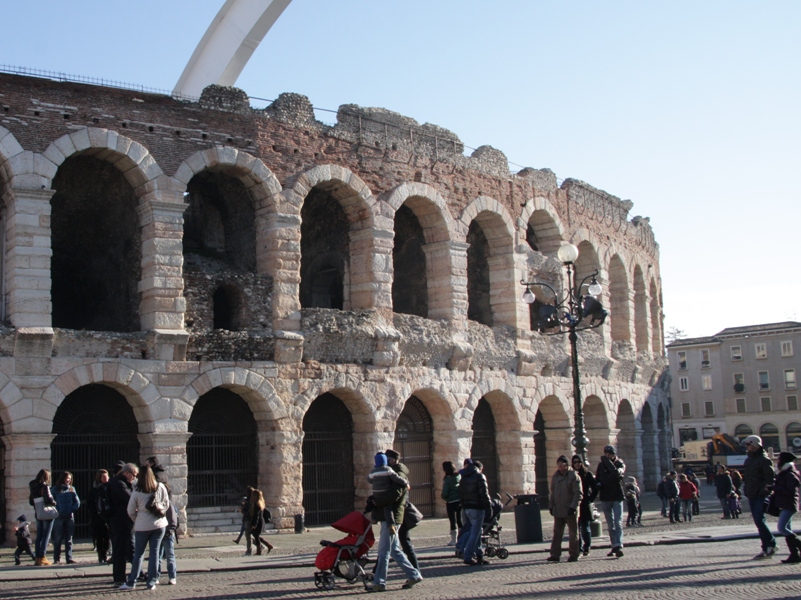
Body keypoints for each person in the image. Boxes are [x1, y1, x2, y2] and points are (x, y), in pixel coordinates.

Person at [369, 459, 422, 592]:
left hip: (391, 520)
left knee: (383, 552)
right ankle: (414, 575)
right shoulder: (391, 479)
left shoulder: (397, 482)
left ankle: (379, 582)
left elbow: (390, 499)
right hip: (390, 518)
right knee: (394, 550)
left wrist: (376, 501)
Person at [118, 463, 169, 591]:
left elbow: (130, 510)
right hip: (159, 524)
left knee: (138, 554)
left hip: (142, 525)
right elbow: (166, 504)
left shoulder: (137, 491)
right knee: (154, 553)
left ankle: (132, 581)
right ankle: (151, 582)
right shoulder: (160, 487)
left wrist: (137, 519)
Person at [742, 435, 777, 559]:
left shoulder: (764, 460)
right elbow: (747, 478)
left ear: (755, 445)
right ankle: (766, 546)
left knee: (759, 520)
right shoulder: (749, 460)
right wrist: (746, 490)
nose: (747, 447)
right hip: (752, 494)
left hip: (759, 495)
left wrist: (763, 492)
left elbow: (770, 479)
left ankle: (771, 544)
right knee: (758, 521)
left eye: (748, 444)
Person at [386, 449, 418, 568]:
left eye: (388, 459)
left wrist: (382, 500)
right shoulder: (395, 471)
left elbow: (396, 494)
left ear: (393, 460)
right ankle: (415, 570)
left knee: (400, 543)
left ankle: (415, 571)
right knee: (392, 544)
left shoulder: (398, 474)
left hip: (399, 511)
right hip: (398, 511)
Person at [456, 459, 492, 566]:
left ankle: (479, 555)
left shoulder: (464, 477)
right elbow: (484, 494)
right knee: (475, 533)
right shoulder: (479, 476)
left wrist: (464, 506)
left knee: (477, 532)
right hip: (477, 508)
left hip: (467, 508)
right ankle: (468, 556)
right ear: (480, 468)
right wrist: (488, 508)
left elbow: (460, 494)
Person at [547, 455, 582, 562]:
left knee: (573, 533)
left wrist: (573, 506)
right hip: (558, 508)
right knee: (557, 533)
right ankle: (555, 554)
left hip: (570, 509)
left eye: (561, 464)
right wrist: (551, 506)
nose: (560, 466)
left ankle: (574, 554)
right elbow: (553, 492)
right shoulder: (556, 476)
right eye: (558, 464)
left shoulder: (573, 476)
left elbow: (578, 493)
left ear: (566, 465)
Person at [108, 463, 138, 586]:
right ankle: (119, 577)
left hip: (123, 520)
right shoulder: (119, 484)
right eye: (133, 475)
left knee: (130, 548)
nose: (134, 478)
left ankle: (138, 572)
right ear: (126, 473)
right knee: (121, 550)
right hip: (120, 520)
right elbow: (130, 498)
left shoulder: (121, 483)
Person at [595, 445, 626, 558]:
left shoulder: (619, 463)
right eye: (606, 454)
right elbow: (597, 478)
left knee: (618, 522)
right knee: (610, 524)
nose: (607, 456)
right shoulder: (601, 465)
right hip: (605, 496)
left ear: (614, 454)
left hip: (617, 496)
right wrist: (598, 484)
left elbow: (617, 473)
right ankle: (614, 545)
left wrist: (607, 462)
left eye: (610, 454)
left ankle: (618, 544)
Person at [368, 453, 408, 533]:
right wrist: (405, 483)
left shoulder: (373, 471)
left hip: (376, 492)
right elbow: (396, 478)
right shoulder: (388, 470)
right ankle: (391, 525)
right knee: (388, 509)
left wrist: (375, 481)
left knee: (375, 503)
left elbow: (369, 480)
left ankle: (374, 519)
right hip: (385, 491)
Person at [772, 451, 801, 563]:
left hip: (789, 504)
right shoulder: (784, 472)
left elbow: (791, 491)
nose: (778, 461)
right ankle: (794, 555)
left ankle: (798, 547)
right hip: (785, 504)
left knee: (782, 528)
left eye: (779, 459)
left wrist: (774, 488)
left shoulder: (790, 474)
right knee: (787, 529)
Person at [51, 472, 80, 564]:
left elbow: (77, 502)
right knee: (58, 538)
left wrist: (72, 509)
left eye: (70, 478)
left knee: (69, 539)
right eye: (67, 478)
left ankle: (69, 557)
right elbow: (51, 502)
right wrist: (57, 510)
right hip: (59, 516)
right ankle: (56, 558)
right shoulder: (55, 489)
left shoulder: (72, 489)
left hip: (69, 516)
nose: (69, 480)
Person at [29, 468, 56, 566]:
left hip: (38, 512)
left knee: (39, 536)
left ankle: (37, 558)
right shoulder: (45, 486)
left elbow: (31, 501)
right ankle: (42, 557)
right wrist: (54, 502)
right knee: (46, 536)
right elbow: (49, 500)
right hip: (47, 513)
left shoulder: (32, 486)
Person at [572, 456, 597, 556]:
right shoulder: (571, 475)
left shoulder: (587, 474)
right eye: (575, 462)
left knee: (585, 527)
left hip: (585, 503)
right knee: (576, 527)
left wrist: (590, 499)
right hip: (575, 503)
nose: (577, 464)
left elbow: (595, 488)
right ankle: (579, 548)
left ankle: (587, 546)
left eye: (579, 462)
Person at [248, 488, 274, 556]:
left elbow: (256, 516)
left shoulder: (256, 504)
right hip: (260, 521)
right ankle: (268, 545)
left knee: (256, 536)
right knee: (256, 536)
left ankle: (259, 550)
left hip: (258, 522)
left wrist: (254, 525)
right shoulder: (261, 503)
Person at [441, 461, 461, 546]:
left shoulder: (447, 480)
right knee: (460, 520)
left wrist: (444, 497)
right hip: (459, 501)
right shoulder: (459, 476)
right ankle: (462, 538)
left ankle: (453, 540)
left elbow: (445, 492)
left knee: (452, 521)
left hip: (451, 502)